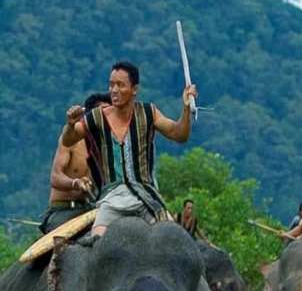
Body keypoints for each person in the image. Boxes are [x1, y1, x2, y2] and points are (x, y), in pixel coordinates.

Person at [61, 61, 197, 237]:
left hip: (145, 197)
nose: (114, 90)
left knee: (174, 239)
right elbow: (68, 139)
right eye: (111, 85)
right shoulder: (96, 117)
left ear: (134, 89)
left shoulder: (149, 112)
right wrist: (70, 125)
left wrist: (186, 109)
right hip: (111, 199)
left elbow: (179, 134)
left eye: (120, 85)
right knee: (97, 240)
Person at [40, 92, 110, 235]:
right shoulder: (71, 140)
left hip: (90, 211)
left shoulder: (108, 148)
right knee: (61, 250)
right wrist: (75, 183)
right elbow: (55, 177)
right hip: (63, 211)